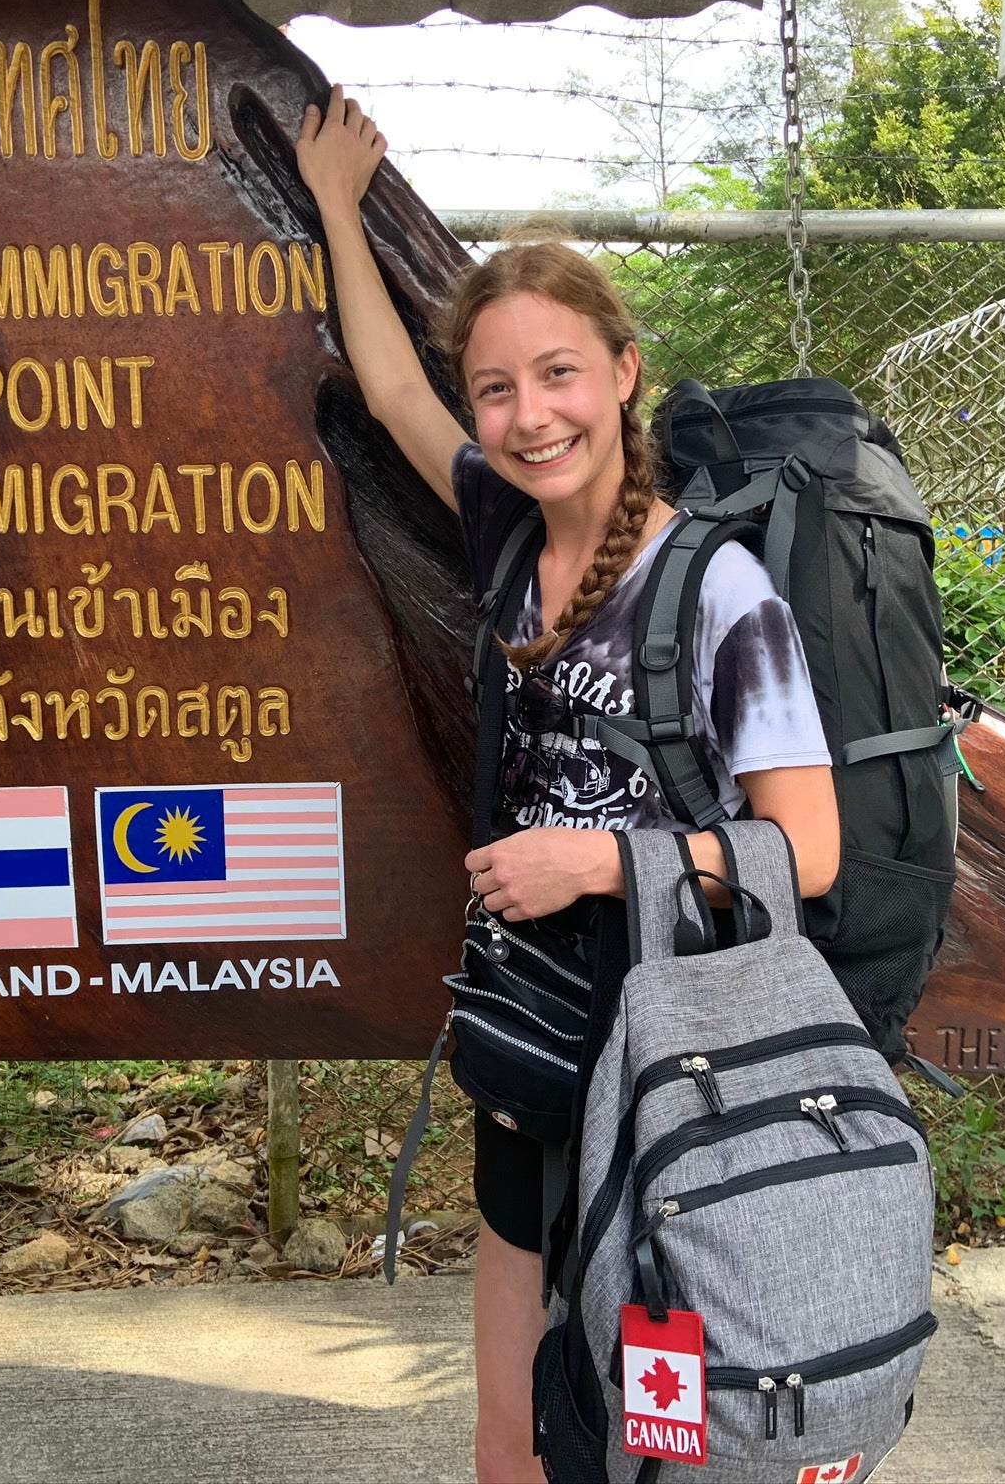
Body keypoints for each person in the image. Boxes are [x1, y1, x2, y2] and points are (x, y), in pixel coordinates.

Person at [296, 87, 842, 1484]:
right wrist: (339, 211)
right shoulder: (503, 536)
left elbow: (809, 852)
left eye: (558, 374)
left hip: (672, 1053)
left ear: (622, 373)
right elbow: (392, 389)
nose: (529, 414)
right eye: (500, 388)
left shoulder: (724, 593)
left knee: (648, 1390)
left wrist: (597, 864)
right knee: (510, 1334)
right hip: (531, 1027)